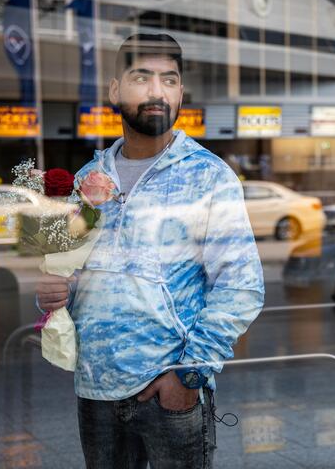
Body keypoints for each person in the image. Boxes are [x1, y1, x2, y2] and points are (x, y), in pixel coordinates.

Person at [36, 33, 265, 468]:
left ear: (180, 92)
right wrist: (52, 293)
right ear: (115, 89)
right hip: (95, 392)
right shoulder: (89, 178)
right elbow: (70, 271)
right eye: (142, 77)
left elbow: (242, 287)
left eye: (169, 80)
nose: (157, 91)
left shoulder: (208, 177)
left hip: (169, 393)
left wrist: (190, 374)